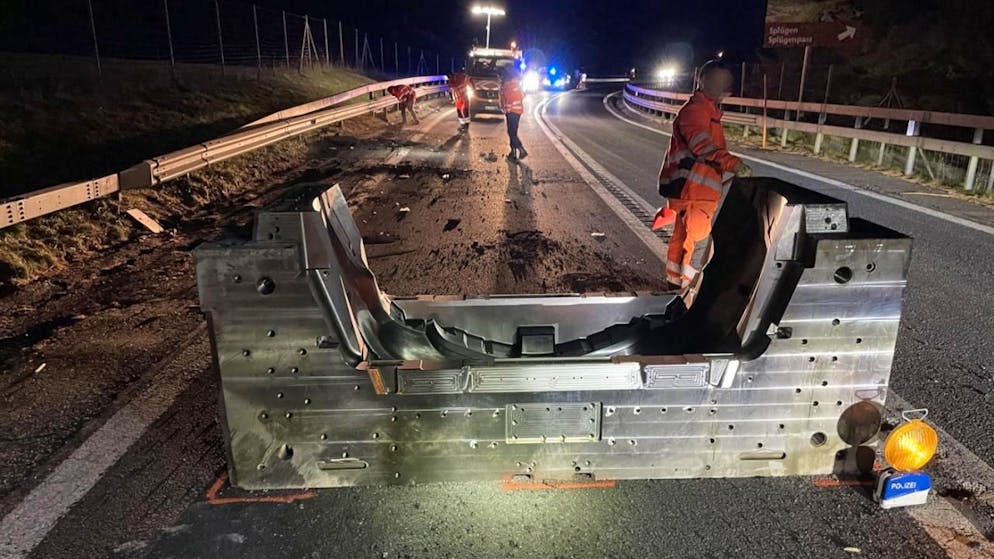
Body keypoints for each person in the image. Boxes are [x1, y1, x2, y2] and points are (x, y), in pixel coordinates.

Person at [656, 59, 752, 297]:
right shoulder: (697, 111)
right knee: (696, 242)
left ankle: (676, 285)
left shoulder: (707, 112)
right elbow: (702, 147)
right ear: (703, 80)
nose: (723, 88)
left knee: (684, 241)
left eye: (725, 83)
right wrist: (733, 164)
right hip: (693, 191)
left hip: (693, 191)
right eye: (719, 82)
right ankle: (691, 293)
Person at [499, 68, 528, 161]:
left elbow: (505, 99)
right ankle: (513, 153)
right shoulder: (516, 85)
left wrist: (504, 108)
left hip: (511, 111)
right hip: (518, 111)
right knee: (513, 132)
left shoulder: (506, 86)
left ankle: (521, 149)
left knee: (511, 133)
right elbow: (523, 95)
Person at [449, 67, 472, 131]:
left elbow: (450, 86)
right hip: (463, 96)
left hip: (458, 96)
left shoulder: (454, 77)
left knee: (460, 110)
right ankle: (466, 125)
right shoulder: (466, 77)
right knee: (465, 110)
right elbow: (472, 85)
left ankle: (463, 124)